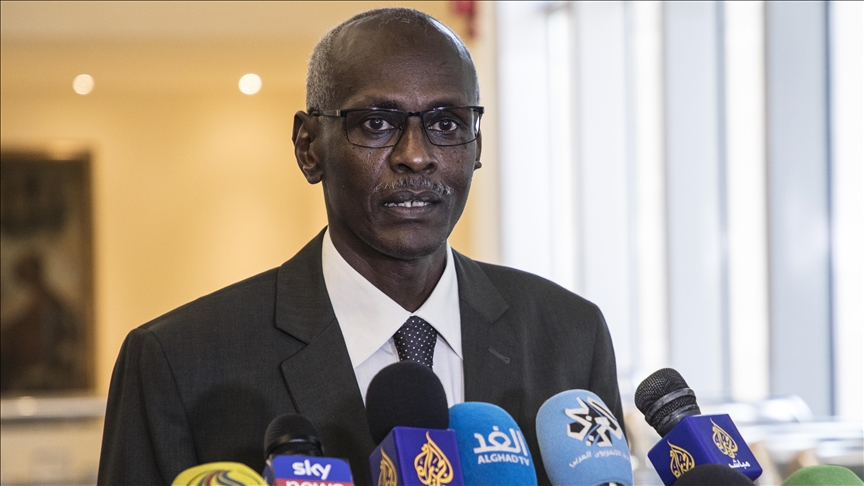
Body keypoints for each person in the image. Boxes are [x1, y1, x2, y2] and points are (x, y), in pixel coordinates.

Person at [97, 8, 624, 486]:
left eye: (446, 123)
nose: (416, 156)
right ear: (309, 147)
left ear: (476, 146)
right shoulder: (177, 362)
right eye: (377, 123)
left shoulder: (570, 336)